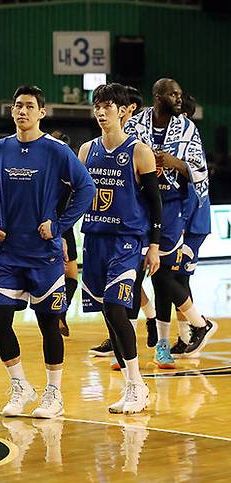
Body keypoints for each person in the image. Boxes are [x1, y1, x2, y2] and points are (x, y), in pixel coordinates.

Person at [0, 85, 94, 419]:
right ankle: (21, 387)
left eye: (29, 106)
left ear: (41, 112)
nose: (22, 111)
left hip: (44, 257)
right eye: (17, 106)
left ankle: (54, 394)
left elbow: (86, 188)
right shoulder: (0, 149)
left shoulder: (56, 150)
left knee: (49, 325)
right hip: (7, 254)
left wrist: (60, 226)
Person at [78, 83, 161, 414]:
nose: (101, 111)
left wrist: (153, 246)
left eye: (108, 105)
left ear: (123, 111)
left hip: (128, 240)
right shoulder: (86, 150)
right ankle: (134, 384)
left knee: (116, 308)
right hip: (95, 238)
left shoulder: (139, 151)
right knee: (107, 314)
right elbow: (73, 195)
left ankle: (136, 384)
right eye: (97, 105)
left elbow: (156, 204)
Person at [124, 78, 216, 368]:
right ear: (158, 96)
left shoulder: (188, 128)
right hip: (141, 206)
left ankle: (171, 337)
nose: (179, 97)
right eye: (173, 93)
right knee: (138, 273)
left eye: (179, 93)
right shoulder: (136, 124)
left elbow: (200, 172)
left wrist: (174, 162)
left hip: (176, 209)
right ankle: (137, 336)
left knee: (165, 274)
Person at [171, 93, 212, 358]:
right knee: (176, 278)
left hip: (191, 223)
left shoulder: (186, 144)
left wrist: (182, 226)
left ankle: (200, 326)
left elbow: (193, 186)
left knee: (175, 278)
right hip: (185, 222)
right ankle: (185, 335)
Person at [49, 130, 76, 337]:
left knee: (70, 273)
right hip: (55, 225)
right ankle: (56, 312)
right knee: (64, 272)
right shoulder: (51, 171)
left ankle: (60, 312)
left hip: (63, 225)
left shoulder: (64, 169)